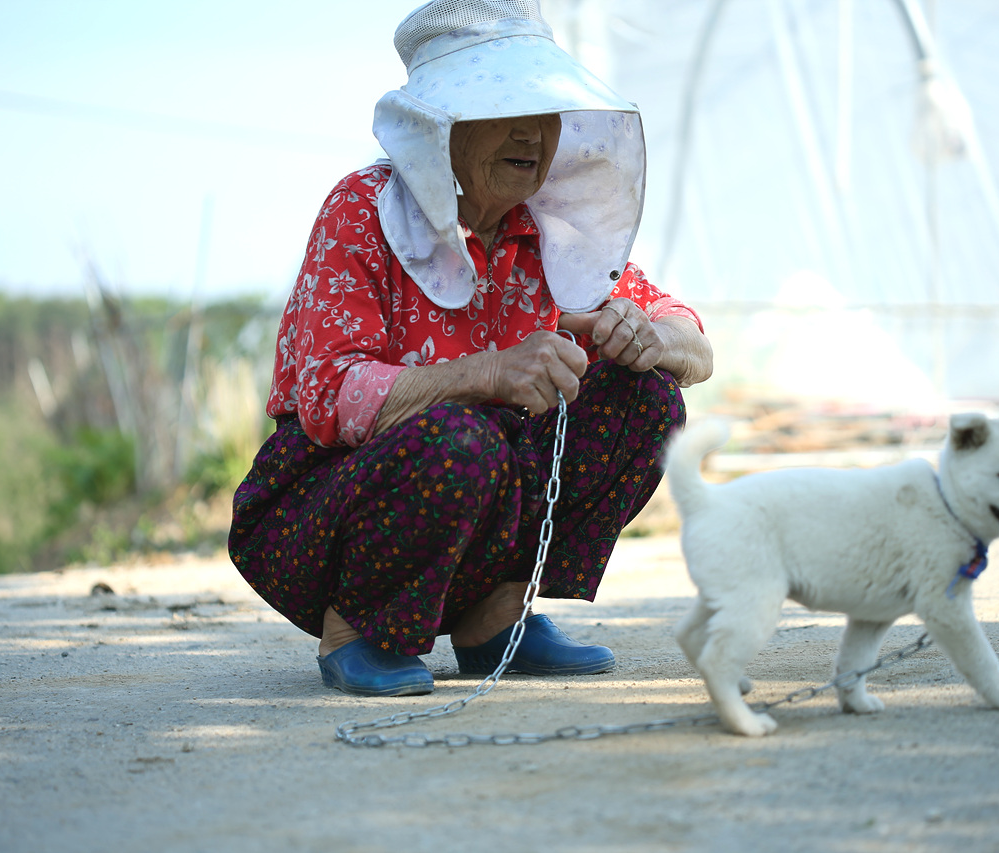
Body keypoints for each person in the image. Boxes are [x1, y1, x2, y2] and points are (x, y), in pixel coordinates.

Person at [228, 0, 713, 697]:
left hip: (479, 502)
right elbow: (331, 395)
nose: (529, 133)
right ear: (439, 124)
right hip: (322, 510)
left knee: (647, 394)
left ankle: (495, 619)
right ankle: (356, 628)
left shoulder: (549, 232)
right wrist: (488, 373)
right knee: (463, 437)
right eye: (502, 108)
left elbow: (694, 342)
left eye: (543, 111)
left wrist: (647, 335)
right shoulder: (364, 210)